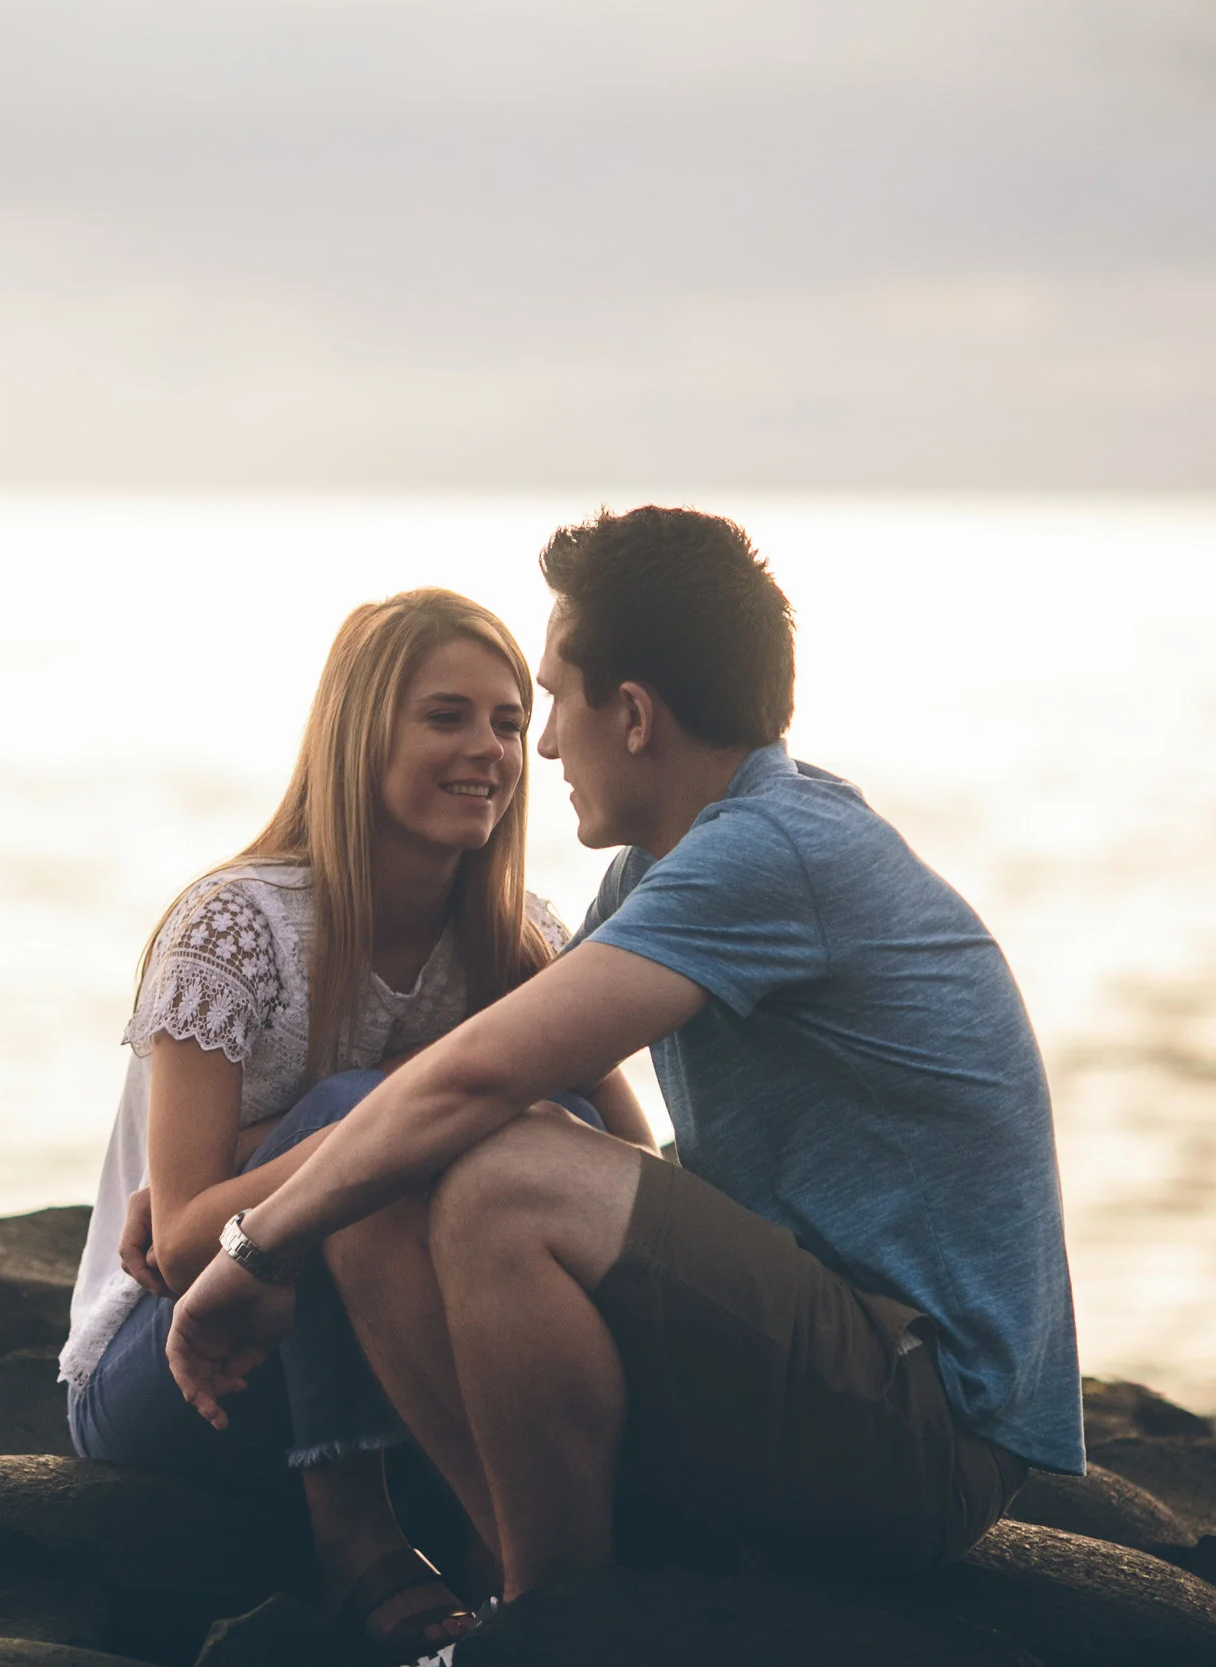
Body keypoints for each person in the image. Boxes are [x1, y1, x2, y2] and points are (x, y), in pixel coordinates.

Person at [165, 506, 1085, 1612]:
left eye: (551, 699)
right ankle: (523, 1582)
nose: (542, 744)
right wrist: (274, 1176)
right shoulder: (671, 870)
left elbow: (477, 1081)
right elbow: (462, 1081)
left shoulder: (767, 852)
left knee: (505, 1177)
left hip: (927, 1433)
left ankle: (555, 1622)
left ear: (634, 714)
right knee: (388, 1184)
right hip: (818, 1379)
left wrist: (254, 1248)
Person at [59, 588, 657, 1661]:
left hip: (391, 1358)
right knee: (358, 1119)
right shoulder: (237, 926)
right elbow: (186, 1235)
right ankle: (357, 1538)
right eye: (445, 716)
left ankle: (521, 1520)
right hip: (184, 1371)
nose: (487, 748)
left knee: (542, 1112)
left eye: (509, 721)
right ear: (360, 730)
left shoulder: (518, 941)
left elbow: (626, 1165)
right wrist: (403, 1099)